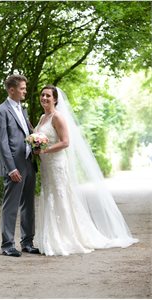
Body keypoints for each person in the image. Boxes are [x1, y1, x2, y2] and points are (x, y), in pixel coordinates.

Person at [34, 85, 138, 256]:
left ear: (55, 99)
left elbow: (65, 142)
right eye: (42, 95)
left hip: (57, 164)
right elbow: (41, 138)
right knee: (49, 195)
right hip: (46, 165)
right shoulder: (42, 117)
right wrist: (35, 142)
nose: (44, 98)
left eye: (48, 96)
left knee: (60, 197)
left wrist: (45, 150)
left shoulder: (57, 117)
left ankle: (64, 238)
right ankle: (50, 237)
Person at [0, 74, 39, 257]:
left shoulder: (23, 109)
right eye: (22, 88)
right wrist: (11, 168)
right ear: (11, 90)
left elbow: (28, 133)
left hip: (28, 163)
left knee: (28, 205)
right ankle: (8, 245)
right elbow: (2, 142)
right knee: (10, 206)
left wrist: (37, 143)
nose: (25, 91)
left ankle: (27, 242)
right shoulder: (1, 111)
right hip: (14, 166)